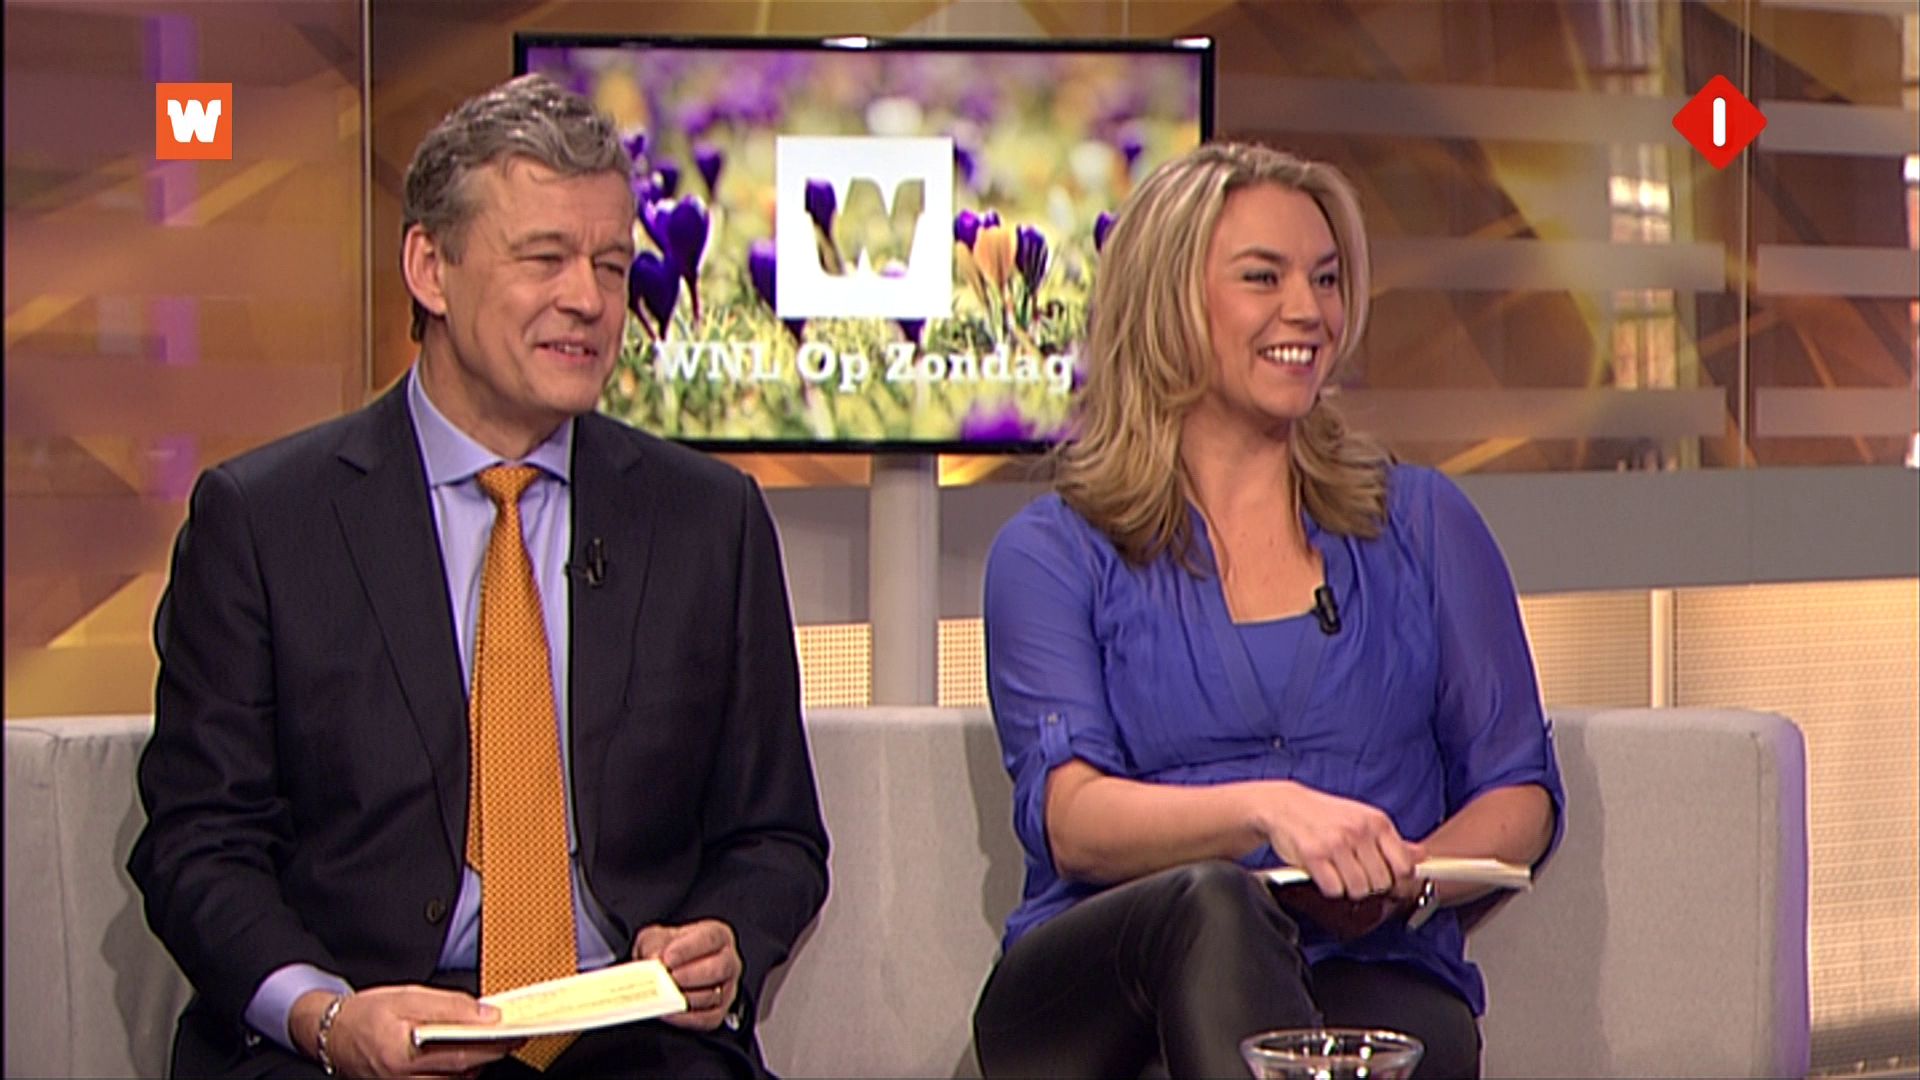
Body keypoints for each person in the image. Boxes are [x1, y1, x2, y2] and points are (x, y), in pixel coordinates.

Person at [129, 74, 828, 1080]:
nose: (589, 299)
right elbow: (198, 843)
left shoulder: (709, 521)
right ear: (431, 268)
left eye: (611, 264)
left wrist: (723, 938)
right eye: (544, 258)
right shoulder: (265, 521)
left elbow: (776, 837)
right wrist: (325, 1016)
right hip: (355, 1032)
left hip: (627, 1038)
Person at [970, 142, 1565, 1080]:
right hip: (1102, 992)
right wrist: (1269, 812)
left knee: (1379, 1046)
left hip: (1367, 961)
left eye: (1326, 279)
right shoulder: (1054, 551)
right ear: (1168, 300)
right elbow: (1073, 817)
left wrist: (1399, 869)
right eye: (1264, 277)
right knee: (1214, 904)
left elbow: (1518, 792)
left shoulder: (1420, 524)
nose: (1309, 311)